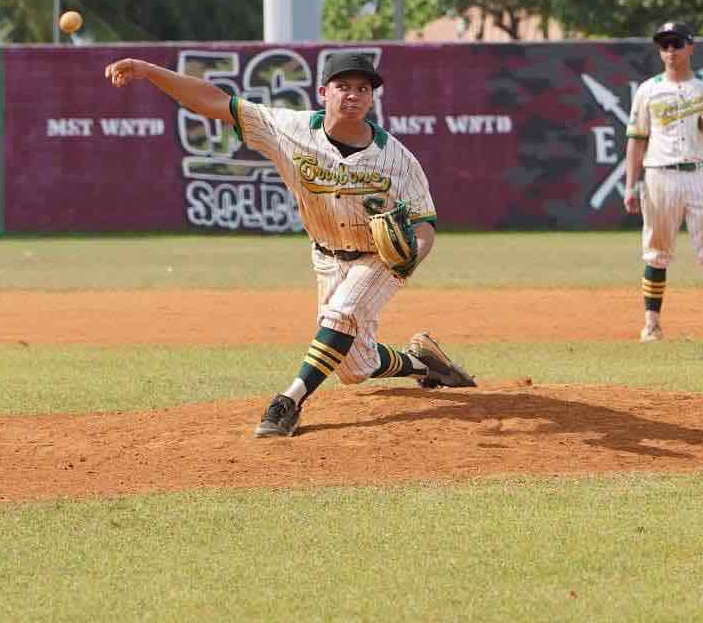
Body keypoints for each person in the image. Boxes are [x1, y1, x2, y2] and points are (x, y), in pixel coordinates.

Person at [104, 49, 476, 438]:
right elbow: (213, 101)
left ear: (372, 98)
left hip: (379, 258)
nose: (353, 95)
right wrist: (149, 71)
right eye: (342, 86)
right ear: (322, 92)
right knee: (354, 367)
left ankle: (289, 400)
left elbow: (424, 225)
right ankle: (424, 364)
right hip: (327, 255)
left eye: (363, 89)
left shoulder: (398, 160)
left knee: (342, 313)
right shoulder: (288, 129)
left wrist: (411, 255)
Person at [622, 21, 703, 343]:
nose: (670, 51)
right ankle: (652, 325)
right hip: (660, 175)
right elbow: (636, 139)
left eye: (676, 44)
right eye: (664, 45)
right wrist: (630, 185)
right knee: (656, 253)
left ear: (690, 47)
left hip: (702, 174)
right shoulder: (648, 90)